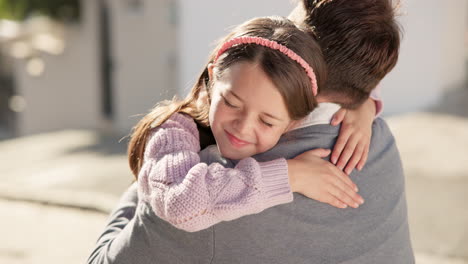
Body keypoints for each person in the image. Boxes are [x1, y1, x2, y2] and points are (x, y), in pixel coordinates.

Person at [88, 0, 414, 263]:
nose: (245, 126)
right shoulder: (380, 141)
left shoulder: (214, 192)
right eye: (232, 101)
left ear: (299, 104)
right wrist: (364, 104)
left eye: (268, 120)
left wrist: (141, 190)